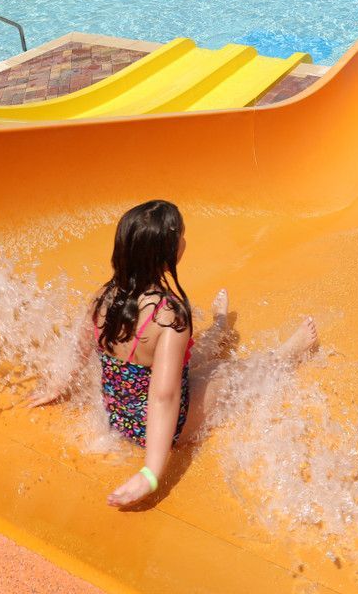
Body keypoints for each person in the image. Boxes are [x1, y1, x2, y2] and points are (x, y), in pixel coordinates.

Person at [27, 201, 317, 510]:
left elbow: (81, 350)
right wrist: (151, 472)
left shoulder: (104, 297)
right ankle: (288, 355)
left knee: (183, 363)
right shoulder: (168, 317)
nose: (184, 241)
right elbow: (165, 396)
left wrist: (59, 385)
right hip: (164, 428)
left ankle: (218, 331)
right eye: (181, 236)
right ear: (167, 254)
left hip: (120, 417)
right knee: (227, 371)